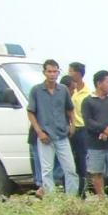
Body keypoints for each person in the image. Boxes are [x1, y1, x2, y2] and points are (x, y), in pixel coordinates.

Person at [26, 59, 78, 197]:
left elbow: (70, 109)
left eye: (55, 71)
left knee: (70, 169)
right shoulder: (36, 90)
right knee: (47, 171)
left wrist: (73, 125)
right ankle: (51, 200)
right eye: (49, 71)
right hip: (45, 136)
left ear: (58, 73)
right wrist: (39, 132)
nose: (52, 74)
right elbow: (31, 112)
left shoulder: (63, 90)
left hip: (62, 135)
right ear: (44, 72)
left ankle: (72, 200)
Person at [81, 70, 108, 197]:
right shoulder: (88, 101)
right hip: (95, 144)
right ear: (99, 83)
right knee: (97, 173)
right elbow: (88, 121)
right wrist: (103, 129)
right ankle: (101, 199)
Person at [68, 63, 90, 197]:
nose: (69, 73)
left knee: (82, 161)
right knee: (69, 162)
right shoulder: (67, 89)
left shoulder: (88, 93)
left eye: (71, 71)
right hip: (69, 129)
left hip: (82, 130)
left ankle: (82, 192)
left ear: (78, 73)